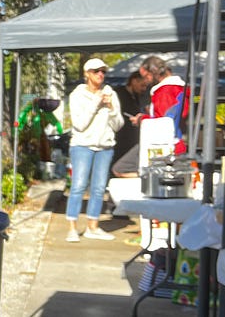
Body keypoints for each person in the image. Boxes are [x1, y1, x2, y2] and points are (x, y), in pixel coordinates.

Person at [64, 58, 125, 242]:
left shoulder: (110, 94)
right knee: (78, 186)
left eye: (103, 71)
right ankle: (72, 228)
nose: (100, 74)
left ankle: (93, 226)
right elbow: (79, 124)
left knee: (99, 189)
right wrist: (96, 104)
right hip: (82, 146)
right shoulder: (77, 95)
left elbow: (118, 125)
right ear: (87, 74)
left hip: (105, 147)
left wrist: (111, 108)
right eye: (96, 71)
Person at [136, 55, 188, 155]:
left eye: (146, 76)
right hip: (177, 142)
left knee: (124, 164)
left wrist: (141, 119)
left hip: (166, 146)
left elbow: (163, 123)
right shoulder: (178, 88)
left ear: (153, 72)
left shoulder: (164, 91)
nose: (146, 81)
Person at [110, 71, 150, 178]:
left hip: (133, 138)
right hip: (120, 138)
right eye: (142, 85)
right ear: (134, 81)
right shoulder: (119, 94)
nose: (144, 89)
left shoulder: (138, 96)